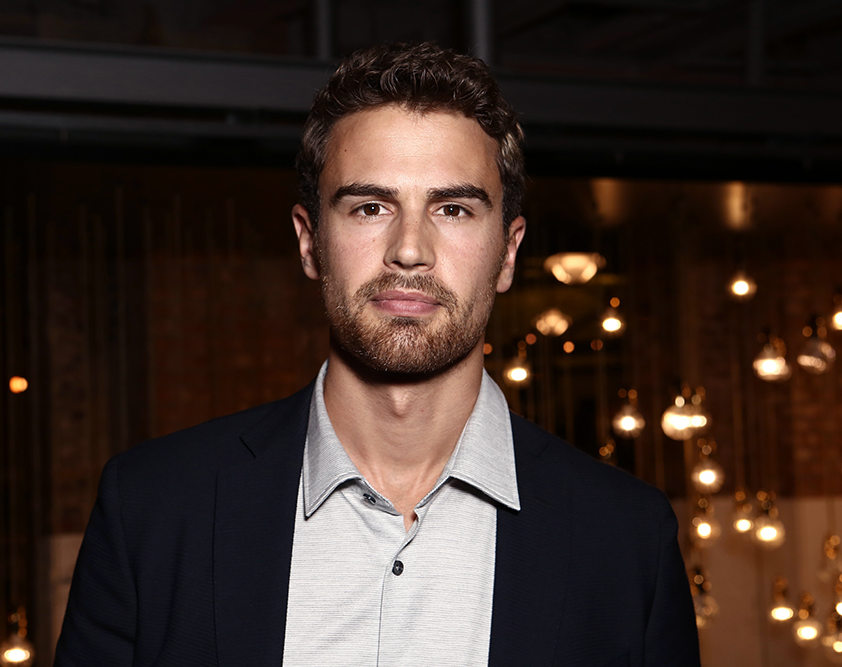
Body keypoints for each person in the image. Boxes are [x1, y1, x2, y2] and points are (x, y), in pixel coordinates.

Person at [55, 42, 700, 667]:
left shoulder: (626, 540)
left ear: (507, 252)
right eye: (369, 207)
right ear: (310, 243)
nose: (410, 249)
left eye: (452, 209)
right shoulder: (153, 509)